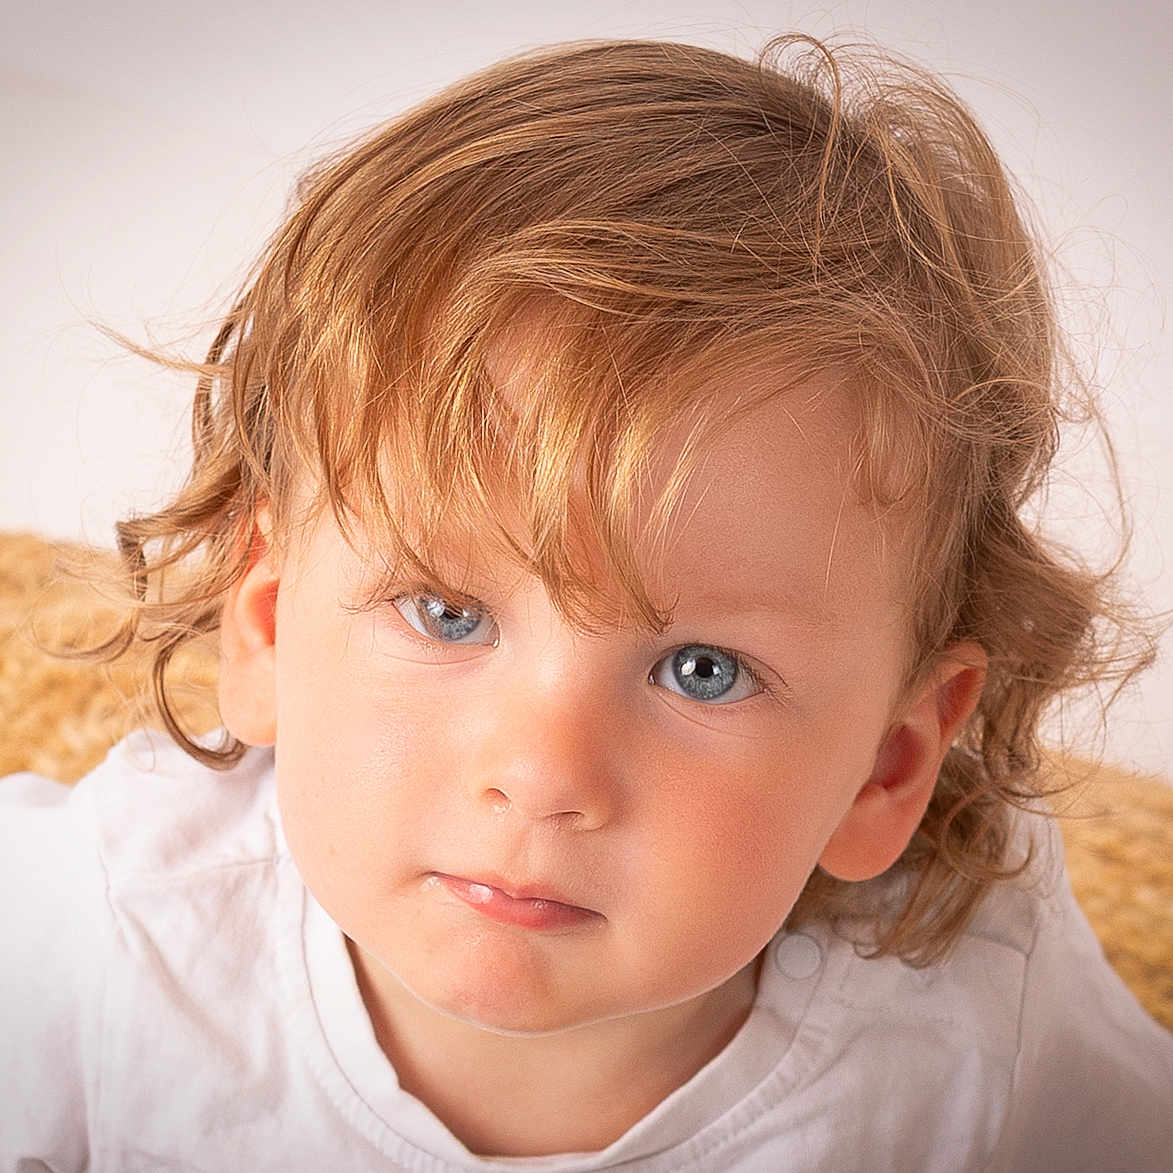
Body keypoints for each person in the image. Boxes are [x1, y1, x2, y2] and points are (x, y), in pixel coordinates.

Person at [1, 32, 1170, 1172]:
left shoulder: (975, 1028)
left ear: (891, 762)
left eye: (702, 669)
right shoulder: (120, 927)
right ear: (264, 618)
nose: (544, 774)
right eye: (447, 614)